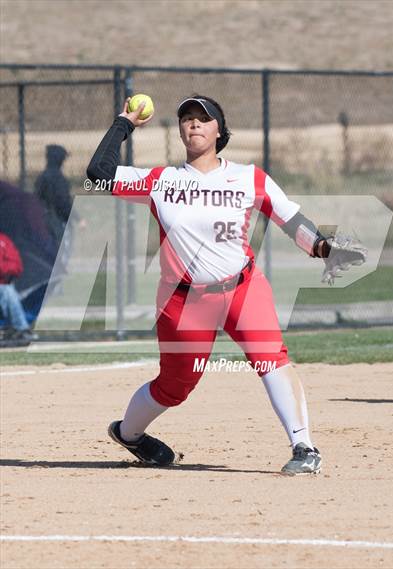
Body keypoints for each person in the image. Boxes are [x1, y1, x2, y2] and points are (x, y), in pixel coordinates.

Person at [87, 94, 365, 476]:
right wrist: (124, 124)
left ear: (220, 130)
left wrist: (321, 246)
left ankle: (304, 446)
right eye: (187, 118)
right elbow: (97, 174)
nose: (194, 124)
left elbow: (289, 218)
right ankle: (129, 434)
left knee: (270, 357)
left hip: (241, 289)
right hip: (183, 301)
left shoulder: (248, 177)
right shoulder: (161, 181)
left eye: (203, 118)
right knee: (175, 385)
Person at [35, 145, 86, 270]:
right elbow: (64, 204)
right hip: (60, 223)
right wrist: (78, 219)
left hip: (43, 221)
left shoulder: (41, 178)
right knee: (61, 256)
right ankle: (56, 286)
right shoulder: (60, 180)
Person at [0, 232, 35, 341]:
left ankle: (19, 329)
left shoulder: (4, 241)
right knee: (7, 291)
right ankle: (19, 327)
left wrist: (3, 270)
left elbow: (16, 265)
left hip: (3, 283)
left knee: (7, 290)